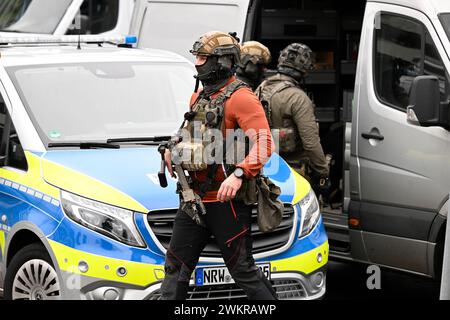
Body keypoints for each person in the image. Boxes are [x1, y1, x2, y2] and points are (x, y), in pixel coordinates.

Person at [160, 31, 277, 300]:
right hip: (193, 200)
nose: (198, 63)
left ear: (222, 61)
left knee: (243, 271)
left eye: (203, 57)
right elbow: (193, 138)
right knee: (174, 268)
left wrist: (238, 175)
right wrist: (172, 149)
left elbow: (264, 144)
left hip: (228, 204)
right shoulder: (199, 97)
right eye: (197, 57)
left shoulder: (241, 98)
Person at [256, 43, 330, 195]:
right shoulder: (298, 97)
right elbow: (311, 142)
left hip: (260, 167)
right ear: (305, 70)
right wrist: (323, 172)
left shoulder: (260, 89)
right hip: (291, 172)